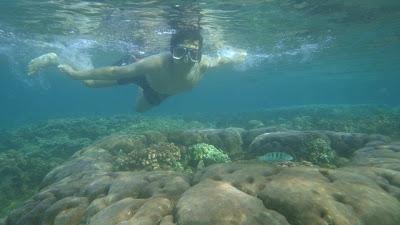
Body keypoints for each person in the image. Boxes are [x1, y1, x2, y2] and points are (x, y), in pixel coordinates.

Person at [27, 28, 247, 112]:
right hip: (141, 73)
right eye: (181, 52)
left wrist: (240, 55)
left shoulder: (205, 63)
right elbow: (115, 72)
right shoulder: (155, 63)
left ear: (200, 54)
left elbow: (223, 59)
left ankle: (142, 91)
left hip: (160, 90)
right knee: (89, 83)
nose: (187, 59)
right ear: (171, 51)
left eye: (194, 53)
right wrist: (75, 75)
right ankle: (56, 60)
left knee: (139, 110)